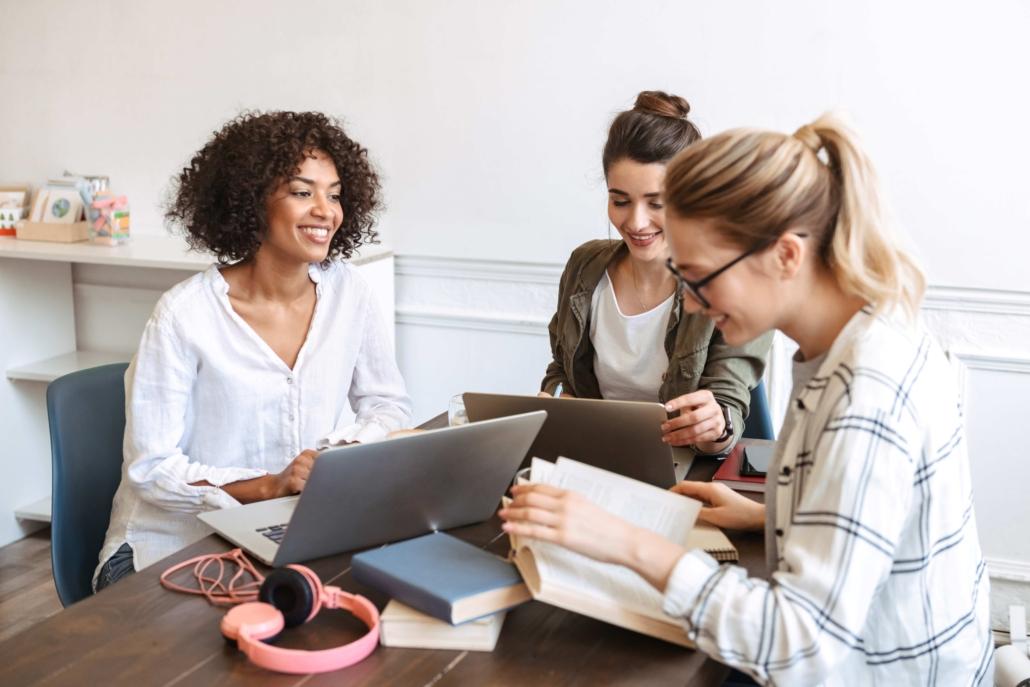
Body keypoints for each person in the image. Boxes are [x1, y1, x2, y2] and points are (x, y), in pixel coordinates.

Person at [504, 113, 992, 684]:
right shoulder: (862, 337)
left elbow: (798, 648)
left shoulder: (865, 395)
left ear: (785, 255)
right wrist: (767, 518)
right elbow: (873, 528)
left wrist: (629, 543)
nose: (687, 305)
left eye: (699, 277)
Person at [95, 111, 412, 590]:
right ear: (251, 201)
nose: (326, 210)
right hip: (170, 548)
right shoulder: (184, 315)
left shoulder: (352, 294)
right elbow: (151, 470)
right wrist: (272, 484)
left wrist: (337, 459)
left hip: (287, 535)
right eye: (303, 192)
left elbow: (387, 405)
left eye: (335, 194)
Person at [540, 91, 772, 456]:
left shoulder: (735, 283)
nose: (635, 222)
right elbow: (562, 370)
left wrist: (714, 425)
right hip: (595, 459)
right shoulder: (584, 267)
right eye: (620, 201)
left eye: (657, 203)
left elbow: (727, 416)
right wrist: (555, 397)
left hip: (687, 469)